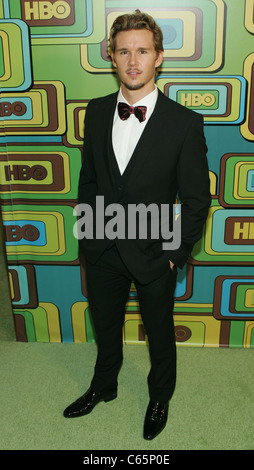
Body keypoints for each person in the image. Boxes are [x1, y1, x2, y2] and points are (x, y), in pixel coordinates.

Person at [63, 10, 211, 440]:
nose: (133, 60)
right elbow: (88, 178)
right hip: (103, 247)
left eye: (142, 51)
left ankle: (160, 395)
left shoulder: (184, 123)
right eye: (123, 51)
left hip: (153, 254)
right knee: (105, 325)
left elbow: (197, 200)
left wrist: (174, 256)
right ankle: (103, 385)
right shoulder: (93, 112)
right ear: (111, 57)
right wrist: (89, 237)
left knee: (160, 334)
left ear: (158, 58)